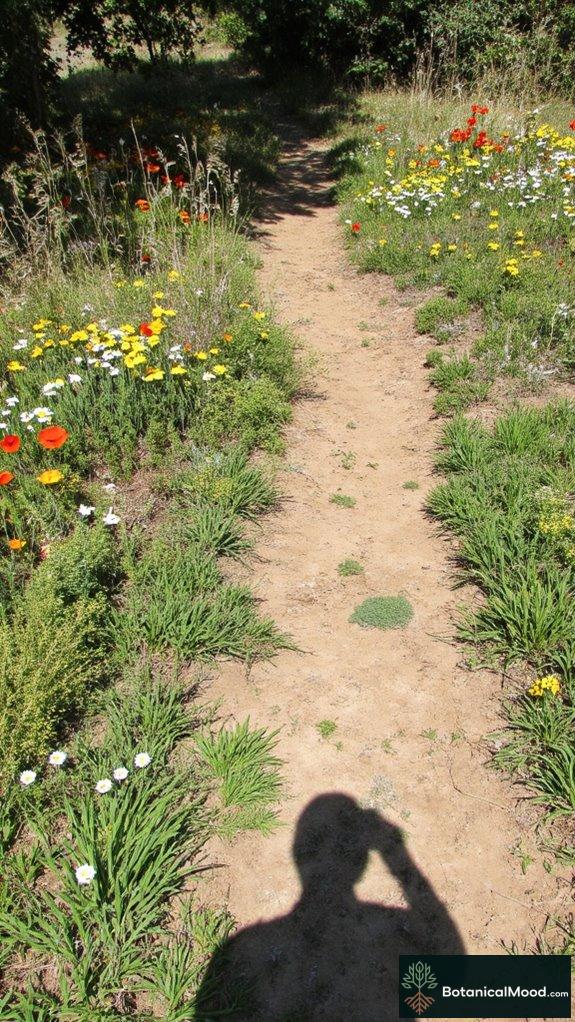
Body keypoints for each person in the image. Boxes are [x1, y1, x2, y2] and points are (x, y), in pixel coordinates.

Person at [195, 792, 464, 1020]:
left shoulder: (244, 944)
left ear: (297, 854)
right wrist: (397, 856)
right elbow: (454, 974)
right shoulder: (390, 926)